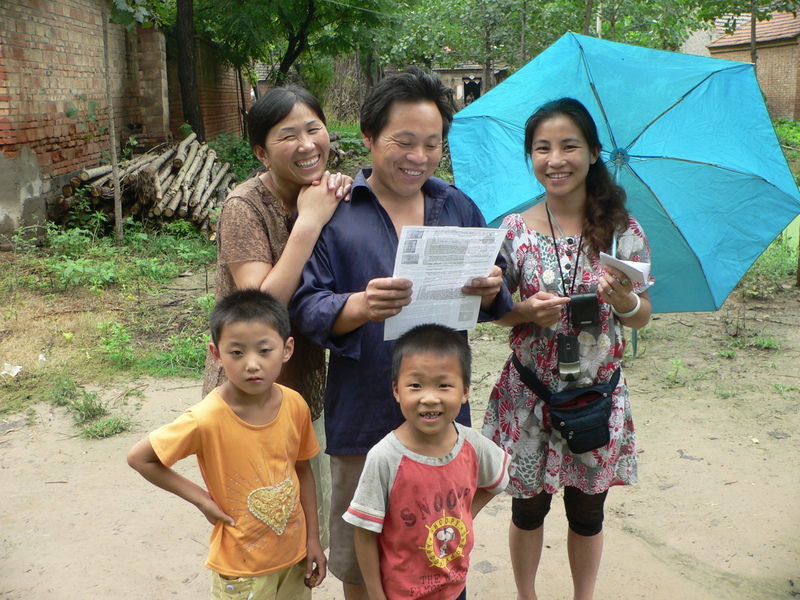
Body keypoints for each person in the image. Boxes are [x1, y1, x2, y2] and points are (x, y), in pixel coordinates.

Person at [290, 66, 513, 600]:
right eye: (404, 141)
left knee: (438, 547)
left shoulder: (455, 206)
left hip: (441, 418)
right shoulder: (338, 212)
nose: (419, 156)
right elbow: (305, 307)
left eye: (433, 144)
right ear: (368, 139)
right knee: (362, 564)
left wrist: (491, 286)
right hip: (364, 415)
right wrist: (359, 305)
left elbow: (497, 295)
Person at [481, 97, 654, 600]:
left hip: (597, 398)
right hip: (530, 397)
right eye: (542, 148)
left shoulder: (623, 233)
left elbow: (643, 314)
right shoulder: (513, 231)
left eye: (568, 146)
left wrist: (624, 301)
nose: (554, 159)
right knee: (527, 507)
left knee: (588, 511)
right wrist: (526, 312)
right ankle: (527, 594)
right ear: (530, 157)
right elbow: (494, 312)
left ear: (594, 152)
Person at [128, 290, 326, 599]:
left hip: (293, 557)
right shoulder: (206, 418)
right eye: (236, 352)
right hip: (241, 568)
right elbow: (140, 458)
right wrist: (202, 500)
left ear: (287, 349)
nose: (251, 364)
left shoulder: (295, 405)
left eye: (264, 350)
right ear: (216, 354)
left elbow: (303, 469)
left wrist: (313, 539)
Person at [344, 324, 510, 600]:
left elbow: (496, 481)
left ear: (465, 391)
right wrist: (374, 593)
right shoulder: (385, 457)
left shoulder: (471, 443)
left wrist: (466, 513)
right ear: (397, 390)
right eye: (415, 385)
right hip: (401, 592)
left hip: (455, 585)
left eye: (444, 385)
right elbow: (363, 533)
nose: (429, 398)